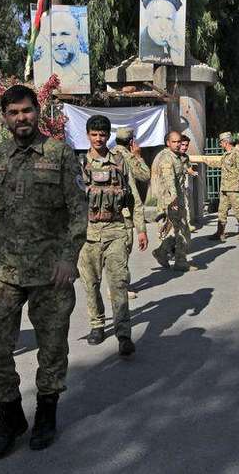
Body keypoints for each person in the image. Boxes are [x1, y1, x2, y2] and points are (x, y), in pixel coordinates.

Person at [0, 85, 87, 458]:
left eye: (27, 111)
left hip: (51, 272)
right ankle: (11, 417)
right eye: (14, 112)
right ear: (4, 117)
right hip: (2, 271)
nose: (22, 118)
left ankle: (46, 414)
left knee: (51, 349)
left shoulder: (60, 155)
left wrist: (69, 258)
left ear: (38, 112)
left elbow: (78, 211)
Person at [77, 116, 147, 354]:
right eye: (94, 134)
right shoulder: (78, 163)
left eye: (103, 134)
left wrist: (141, 228)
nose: (99, 138)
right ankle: (97, 324)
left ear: (108, 136)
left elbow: (134, 196)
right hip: (88, 233)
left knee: (118, 283)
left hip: (116, 229)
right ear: (88, 135)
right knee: (91, 284)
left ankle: (124, 334)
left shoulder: (119, 161)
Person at [112, 127, 150, 299]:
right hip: (125, 212)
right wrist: (138, 155)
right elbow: (145, 175)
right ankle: (119, 288)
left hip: (110, 211)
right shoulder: (127, 157)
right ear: (131, 142)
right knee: (123, 251)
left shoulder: (110, 153)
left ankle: (118, 285)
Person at [151, 131, 195, 271]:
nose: (177, 144)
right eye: (174, 142)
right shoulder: (167, 158)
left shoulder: (177, 157)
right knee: (180, 231)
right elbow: (169, 180)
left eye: (179, 142)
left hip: (177, 199)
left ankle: (162, 253)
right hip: (170, 201)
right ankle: (180, 261)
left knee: (180, 230)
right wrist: (174, 200)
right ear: (168, 143)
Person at [211, 132, 239, 241]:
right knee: (222, 210)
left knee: (238, 210)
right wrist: (205, 161)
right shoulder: (226, 154)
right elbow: (219, 164)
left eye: (220, 142)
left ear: (225, 142)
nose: (220, 144)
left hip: (234, 188)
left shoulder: (236, 153)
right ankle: (220, 232)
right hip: (225, 188)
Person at [36, 10, 90, 92]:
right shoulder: (40, 69)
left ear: (78, 37)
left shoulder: (87, 66)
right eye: (53, 35)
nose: (58, 42)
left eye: (64, 34)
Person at [139, 0, 184, 65]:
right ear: (147, 17)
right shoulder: (142, 45)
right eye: (157, 17)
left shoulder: (177, 42)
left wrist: (176, 49)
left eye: (169, 19)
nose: (163, 26)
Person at [179, 134, 198, 232]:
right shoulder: (172, 156)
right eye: (183, 145)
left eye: (186, 145)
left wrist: (192, 172)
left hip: (182, 185)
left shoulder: (185, 157)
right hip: (171, 186)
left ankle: (187, 224)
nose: (185, 147)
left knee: (186, 204)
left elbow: (188, 167)